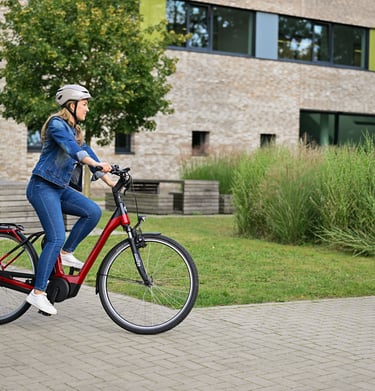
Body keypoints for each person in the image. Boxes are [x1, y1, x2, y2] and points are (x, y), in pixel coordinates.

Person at [26, 84, 115, 315]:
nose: (87, 110)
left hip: (59, 188)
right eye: (85, 105)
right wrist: (95, 165)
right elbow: (74, 151)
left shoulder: (75, 132)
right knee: (55, 236)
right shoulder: (57, 125)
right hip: (42, 187)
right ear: (72, 105)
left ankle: (66, 253)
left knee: (92, 212)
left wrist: (109, 180)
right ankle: (37, 293)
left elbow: (86, 152)